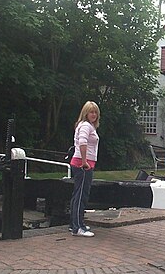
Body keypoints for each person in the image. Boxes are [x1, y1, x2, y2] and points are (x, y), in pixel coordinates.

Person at [69, 101, 100, 237]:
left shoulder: (87, 126)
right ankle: (78, 228)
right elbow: (82, 142)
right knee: (81, 195)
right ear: (85, 113)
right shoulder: (86, 126)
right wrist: (84, 161)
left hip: (84, 163)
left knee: (78, 194)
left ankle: (76, 223)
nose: (93, 114)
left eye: (95, 112)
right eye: (91, 112)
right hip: (83, 165)